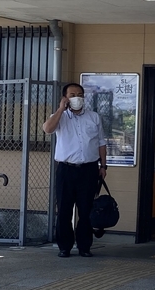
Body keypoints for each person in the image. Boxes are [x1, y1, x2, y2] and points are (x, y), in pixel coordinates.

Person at [42, 82, 107, 258]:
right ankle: (64, 246)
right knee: (64, 209)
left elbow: (101, 143)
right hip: (66, 170)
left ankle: (85, 246)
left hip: (89, 169)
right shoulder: (59, 116)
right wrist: (61, 109)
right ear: (65, 97)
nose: (76, 97)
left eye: (79, 94)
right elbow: (47, 129)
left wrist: (103, 166)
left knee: (85, 210)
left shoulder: (94, 117)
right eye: (72, 94)